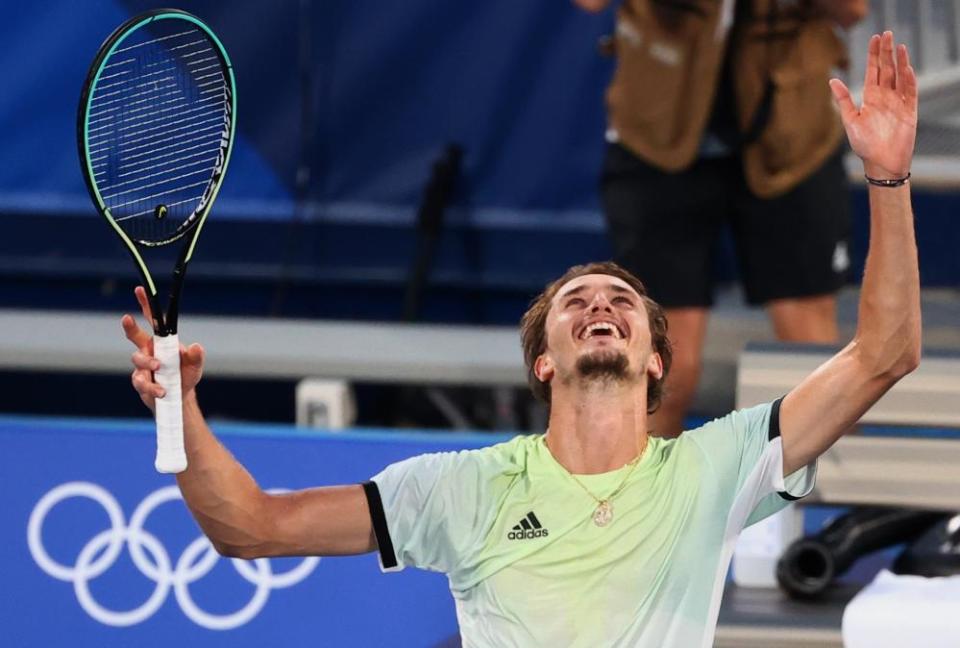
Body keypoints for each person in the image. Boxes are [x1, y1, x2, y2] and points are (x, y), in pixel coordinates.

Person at [123, 32, 917, 648]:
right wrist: (183, 412)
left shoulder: (717, 468)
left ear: (655, 363)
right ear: (545, 360)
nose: (600, 305)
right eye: (577, 301)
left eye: (622, 302)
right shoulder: (463, 489)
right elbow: (253, 526)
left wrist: (887, 179)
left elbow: (884, 354)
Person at [574, 0, 868, 436]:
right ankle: (646, 500)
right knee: (664, 372)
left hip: (791, 139)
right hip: (658, 135)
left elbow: (852, 10)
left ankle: (824, 502)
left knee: (812, 361)